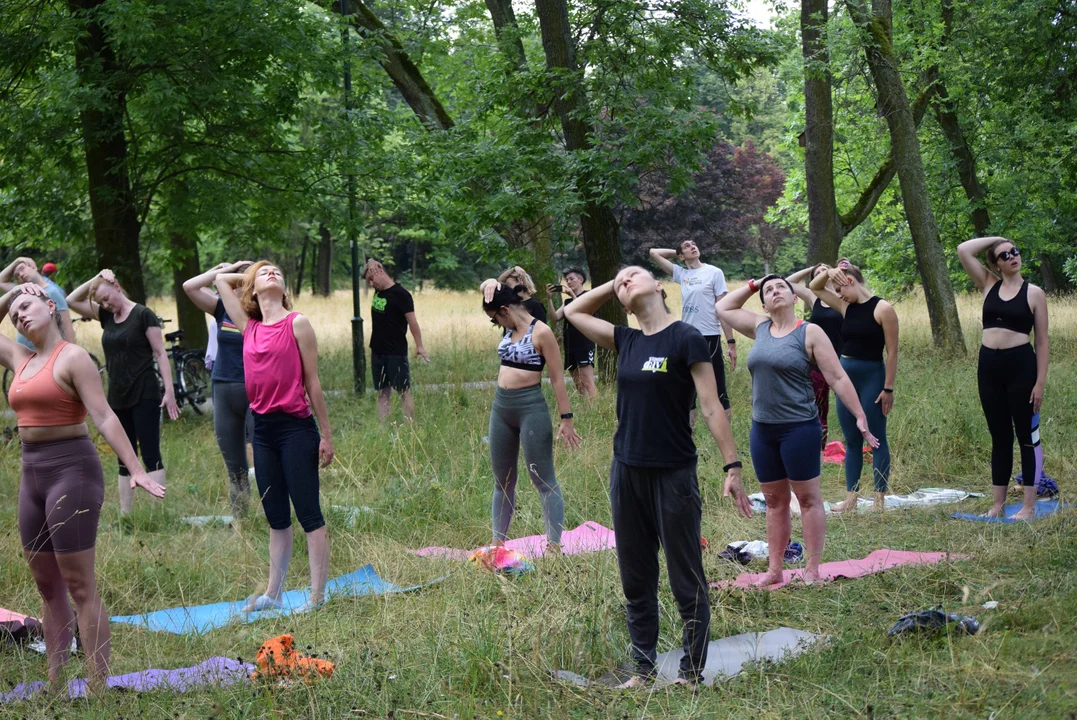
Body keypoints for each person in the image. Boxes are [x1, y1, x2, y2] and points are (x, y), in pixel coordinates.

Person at [564, 266, 750, 687]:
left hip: (674, 472)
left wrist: (732, 466)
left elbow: (710, 406)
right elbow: (573, 312)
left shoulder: (686, 337)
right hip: (626, 470)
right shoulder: (625, 339)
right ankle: (643, 670)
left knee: (686, 575)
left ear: (659, 286)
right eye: (619, 280)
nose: (624, 279)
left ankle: (691, 670)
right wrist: (612, 286)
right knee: (636, 575)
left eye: (632, 274)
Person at [1, 283, 164, 693]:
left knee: (79, 584)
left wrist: (136, 469)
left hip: (72, 471)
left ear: (50, 306)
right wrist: (13, 289)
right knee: (47, 585)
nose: (19, 315)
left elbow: (105, 416)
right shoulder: (20, 357)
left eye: (26, 306)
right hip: (31, 474)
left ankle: (97, 686)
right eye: (13, 313)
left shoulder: (72, 358)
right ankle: (55, 683)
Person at [718, 275, 878, 586]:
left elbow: (838, 378)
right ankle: (775, 570)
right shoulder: (759, 327)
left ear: (794, 298)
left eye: (781, 287)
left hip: (799, 429)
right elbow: (723, 307)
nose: (775, 291)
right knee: (775, 502)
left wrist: (859, 415)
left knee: (807, 499)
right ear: (763, 304)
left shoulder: (810, 332)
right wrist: (754, 284)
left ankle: (812, 571)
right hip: (762, 431)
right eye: (768, 291)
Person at [215, 262, 334, 613]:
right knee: (275, 516)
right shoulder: (247, 326)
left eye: (277, 272)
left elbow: (313, 382)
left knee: (309, 513)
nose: (272, 273)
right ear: (252, 290)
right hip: (262, 429)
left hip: (296, 428)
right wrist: (249, 273)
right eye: (264, 273)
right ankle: (274, 594)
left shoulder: (297, 322)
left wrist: (326, 435)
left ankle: (316, 598)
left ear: (285, 288)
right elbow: (221, 280)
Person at [67, 269, 179, 515]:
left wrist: (169, 391)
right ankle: (125, 515)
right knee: (123, 455)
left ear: (117, 286)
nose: (105, 305)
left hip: (144, 391)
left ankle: (156, 514)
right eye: (101, 303)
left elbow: (160, 353)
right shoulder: (106, 317)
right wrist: (96, 277)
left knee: (150, 453)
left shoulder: (143, 315)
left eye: (107, 298)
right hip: (117, 395)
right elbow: (71, 301)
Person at [480, 281, 581, 551]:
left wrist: (566, 419)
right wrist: (489, 282)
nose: (495, 323)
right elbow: (493, 288)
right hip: (501, 409)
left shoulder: (542, 332)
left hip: (530, 409)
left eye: (494, 318)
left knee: (543, 479)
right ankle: (497, 544)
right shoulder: (508, 326)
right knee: (502, 480)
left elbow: (558, 379)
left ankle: (554, 546)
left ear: (504, 310)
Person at [957, 237, 1049, 520]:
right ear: (995, 263)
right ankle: (997, 505)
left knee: (1027, 436)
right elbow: (963, 250)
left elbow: (1043, 341)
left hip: (1021, 366)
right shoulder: (988, 284)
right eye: (1004, 254)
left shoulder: (1034, 293)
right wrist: (997, 239)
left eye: (1015, 251)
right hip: (989, 368)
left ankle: (1028, 506)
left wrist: (1040, 382)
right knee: (999, 436)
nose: (1012, 256)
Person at [808, 264, 898, 511]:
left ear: (850, 281)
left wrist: (888, 388)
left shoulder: (883, 308)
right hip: (845, 374)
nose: (838, 295)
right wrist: (829, 273)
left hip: (872, 376)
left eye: (839, 289)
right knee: (852, 439)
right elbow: (814, 287)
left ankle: (879, 500)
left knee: (876, 437)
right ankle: (851, 498)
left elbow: (892, 352)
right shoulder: (845, 306)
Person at [184, 261, 256, 519]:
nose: (238, 284)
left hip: (255, 390)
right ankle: (241, 523)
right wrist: (222, 271)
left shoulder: (260, 309)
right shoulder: (221, 307)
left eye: (244, 279)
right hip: (224, 390)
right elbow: (189, 287)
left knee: (264, 459)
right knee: (234, 466)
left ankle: (275, 522)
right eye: (236, 279)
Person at [649, 241, 735, 420]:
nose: (693, 246)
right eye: (687, 246)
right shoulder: (682, 274)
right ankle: (688, 435)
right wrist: (678, 252)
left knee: (717, 386)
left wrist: (731, 342)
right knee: (687, 387)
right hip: (687, 336)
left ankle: (724, 430)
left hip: (709, 335)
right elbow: (654, 253)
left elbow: (723, 308)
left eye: (695, 244)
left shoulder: (714, 272)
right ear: (681, 256)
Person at [363, 260, 429, 423]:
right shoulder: (378, 292)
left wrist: (419, 345)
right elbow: (371, 262)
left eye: (371, 279)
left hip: (396, 352)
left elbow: (412, 322)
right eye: (368, 282)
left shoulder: (401, 294)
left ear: (380, 271)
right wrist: (370, 265)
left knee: (404, 391)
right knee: (382, 391)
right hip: (377, 351)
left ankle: (410, 428)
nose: (371, 284)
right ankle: (382, 429)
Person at [786, 264, 844, 445]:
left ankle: (858, 440)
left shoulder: (844, 296)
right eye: (818, 273)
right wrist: (811, 268)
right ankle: (820, 446)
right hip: (817, 361)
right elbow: (788, 283)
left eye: (826, 270)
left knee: (849, 402)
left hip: (843, 358)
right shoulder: (814, 297)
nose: (823, 274)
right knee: (819, 404)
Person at [0, 257, 75, 349]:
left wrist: (70, 353)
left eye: (22, 269)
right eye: (17, 275)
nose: (21, 275)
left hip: (44, 356)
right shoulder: (22, 291)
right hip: (27, 357)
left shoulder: (52, 292)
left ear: (34, 267)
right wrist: (17, 260)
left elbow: (67, 328)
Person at [546, 267, 598, 399]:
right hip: (570, 345)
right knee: (578, 383)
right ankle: (585, 410)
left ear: (581, 280)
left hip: (585, 343)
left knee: (587, 380)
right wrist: (549, 299)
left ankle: (597, 409)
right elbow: (555, 318)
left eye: (572, 279)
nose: (568, 282)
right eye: (567, 279)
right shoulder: (567, 302)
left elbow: (583, 311)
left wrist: (573, 296)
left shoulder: (588, 295)